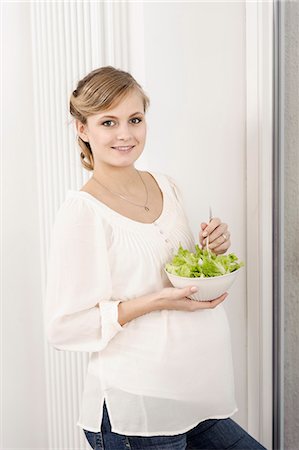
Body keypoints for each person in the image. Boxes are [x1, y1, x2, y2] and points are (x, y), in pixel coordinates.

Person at [45, 66, 267, 450]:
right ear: (83, 129)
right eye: (108, 122)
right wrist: (155, 302)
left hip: (194, 396)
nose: (125, 134)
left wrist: (212, 249)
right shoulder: (84, 212)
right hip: (137, 408)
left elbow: (177, 268)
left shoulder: (166, 185)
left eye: (135, 119)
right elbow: (64, 327)